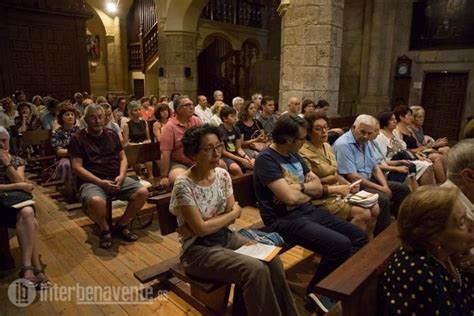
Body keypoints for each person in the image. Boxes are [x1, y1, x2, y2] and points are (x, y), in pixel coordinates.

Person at [170, 124, 299, 315]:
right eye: (208, 149)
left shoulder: (222, 175)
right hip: (197, 250)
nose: (216, 153)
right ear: (193, 154)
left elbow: (229, 215)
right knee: (254, 269)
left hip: (226, 237)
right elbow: (204, 229)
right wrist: (225, 216)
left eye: (219, 146)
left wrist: (214, 220)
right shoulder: (184, 184)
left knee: (272, 258)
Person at [253, 114, 368, 312]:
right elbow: (289, 199)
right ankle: (316, 293)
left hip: (306, 210)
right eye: (302, 138)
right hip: (282, 219)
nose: (304, 142)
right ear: (289, 139)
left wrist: (299, 188)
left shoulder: (294, 154)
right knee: (340, 245)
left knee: (359, 237)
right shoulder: (266, 160)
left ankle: (329, 286)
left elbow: (315, 185)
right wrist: (304, 190)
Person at [378, 186, 474, 315]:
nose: (472, 224)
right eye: (462, 222)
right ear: (435, 237)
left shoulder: (447, 252)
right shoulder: (419, 274)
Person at [69, 104, 148, 249]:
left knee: (142, 192)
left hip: (115, 177)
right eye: (93, 118)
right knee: (96, 200)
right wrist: (100, 182)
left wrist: (122, 175)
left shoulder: (111, 134)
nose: (97, 121)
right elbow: (76, 167)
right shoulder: (77, 138)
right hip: (91, 181)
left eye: (100, 117)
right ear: (86, 119)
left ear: (105, 117)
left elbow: (123, 158)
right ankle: (105, 228)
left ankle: (122, 224)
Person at [299, 112, 379, 237]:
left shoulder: (326, 146)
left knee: (375, 207)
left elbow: (334, 173)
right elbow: (310, 186)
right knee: (364, 213)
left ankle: (368, 244)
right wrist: (338, 188)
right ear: (309, 132)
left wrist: (348, 184)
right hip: (321, 198)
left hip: (339, 191)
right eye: (318, 129)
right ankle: (353, 247)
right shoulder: (303, 152)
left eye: (326, 127)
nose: (324, 132)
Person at [332, 115, 410, 235]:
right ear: (353, 127)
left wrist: (385, 185)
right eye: (362, 132)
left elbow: (374, 167)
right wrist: (381, 188)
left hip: (369, 179)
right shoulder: (343, 144)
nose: (365, 136)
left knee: (402, 189)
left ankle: (399, 225)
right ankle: (382, 235)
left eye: (369, 133)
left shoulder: (365, 141)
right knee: (382, 198)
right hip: (354, 185)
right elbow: (352, 176)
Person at [0, 127, 51, 289]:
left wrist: (6, 162)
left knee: (28, 212)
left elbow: (20, 182)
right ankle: (35, 267)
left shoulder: (16, 160)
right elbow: (20, 184)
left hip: (15, 204)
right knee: (32, 221)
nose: (1, 144)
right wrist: (16, 185)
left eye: (4, 140)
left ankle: (28, 267)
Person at [375, 111, 434, 186]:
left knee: (427, 163)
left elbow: (404, 149)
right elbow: (383, 160)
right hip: (391, 165)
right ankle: (424, 194)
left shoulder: (395, 133)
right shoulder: (380, 136)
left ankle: (426, 192)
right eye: (392, 120)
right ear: (385, 121)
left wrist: (417, 156)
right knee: (425, 165)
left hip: (404, 159)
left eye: (395, 119)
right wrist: (400, 162)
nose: (395, 121)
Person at [393, 105, 446, 183]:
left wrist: (425, 148)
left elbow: (419, 145)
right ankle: (442, 183)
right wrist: (422, 150)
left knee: (441, 153)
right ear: (401, 117)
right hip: (409, 155)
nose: (411, 118)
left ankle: (444, 181)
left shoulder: (409, 130)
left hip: (418, 152)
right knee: (436, 158)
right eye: (409, 115)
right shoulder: (397, 131)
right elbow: (403, 150)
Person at [159, 95, 202, 188]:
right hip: (179, 163)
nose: (192, 107)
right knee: (180, 180)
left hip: (198, 160)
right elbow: (165, 153)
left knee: (220, 169)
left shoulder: (196, 121)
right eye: (187, 105)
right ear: (178, 110)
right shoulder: (169, 127)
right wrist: (164, 176)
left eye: (192, 104)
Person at [50, 106, 80, 201]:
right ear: (62, 118)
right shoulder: (58, 133)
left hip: (80, 157)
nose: (70, 116)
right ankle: (70, 193)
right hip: (64, 158)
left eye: (72, 115)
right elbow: (59, 151)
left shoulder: (80, 132)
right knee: (67, 165)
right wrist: (73, 152)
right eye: (67, 115)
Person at [219, 106, 254, 176]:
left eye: (235, 116)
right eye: (232, 116)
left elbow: (239, 148)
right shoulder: (219, 130)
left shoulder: (236, 129)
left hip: (236, 154)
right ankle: (242, 185)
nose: (235, 118)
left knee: (253, 162)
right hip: (226, 156)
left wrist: (245, 156)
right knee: (235, 168)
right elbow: (223, 152)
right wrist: (241, 160)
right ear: (224, 118)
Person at [122, 101, 153, 179]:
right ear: (130, 112)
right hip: (133, 146)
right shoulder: (127, 125)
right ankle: (139, 175)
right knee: (136, 157)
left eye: (139, 109)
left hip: (144, 146)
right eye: (135, 110)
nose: (138, 112)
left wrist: (147, 142)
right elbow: (126, 143)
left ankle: (150, 175)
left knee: (148, 157)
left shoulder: (144, 122)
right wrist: (138, 144)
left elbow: (148, 138)